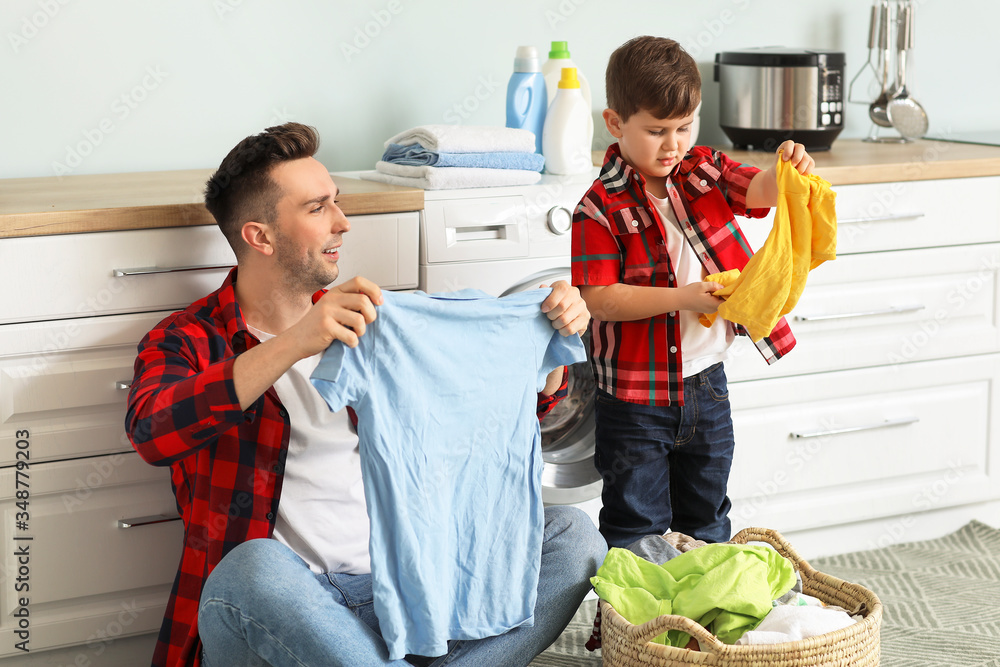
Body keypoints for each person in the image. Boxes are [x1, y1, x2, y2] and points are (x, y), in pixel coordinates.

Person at [125, 122, 607, 667]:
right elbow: (153, 430)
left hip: (399, 594)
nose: (342, 223)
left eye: (337, 202)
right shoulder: (188, 339)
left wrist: (551, 343)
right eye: (317, 208)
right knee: (249, 565)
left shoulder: (372, 323)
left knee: (574, 536)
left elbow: (479, 416)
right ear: (260, 237)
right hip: (288, 609)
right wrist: (298, 340)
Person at [571, 36, 816, 549]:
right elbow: (599, 300)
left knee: (706, 520)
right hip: (634, 398)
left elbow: (761, 191)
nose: (673, 144)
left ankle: (698, 626)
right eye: (656, 131)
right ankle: (624, 630)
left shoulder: (703, 170)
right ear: (615, 124)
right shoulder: (598, 207)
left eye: (685, 126)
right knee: (635, 526)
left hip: (707, 386)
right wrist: (682, 298)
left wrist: (789, 167)